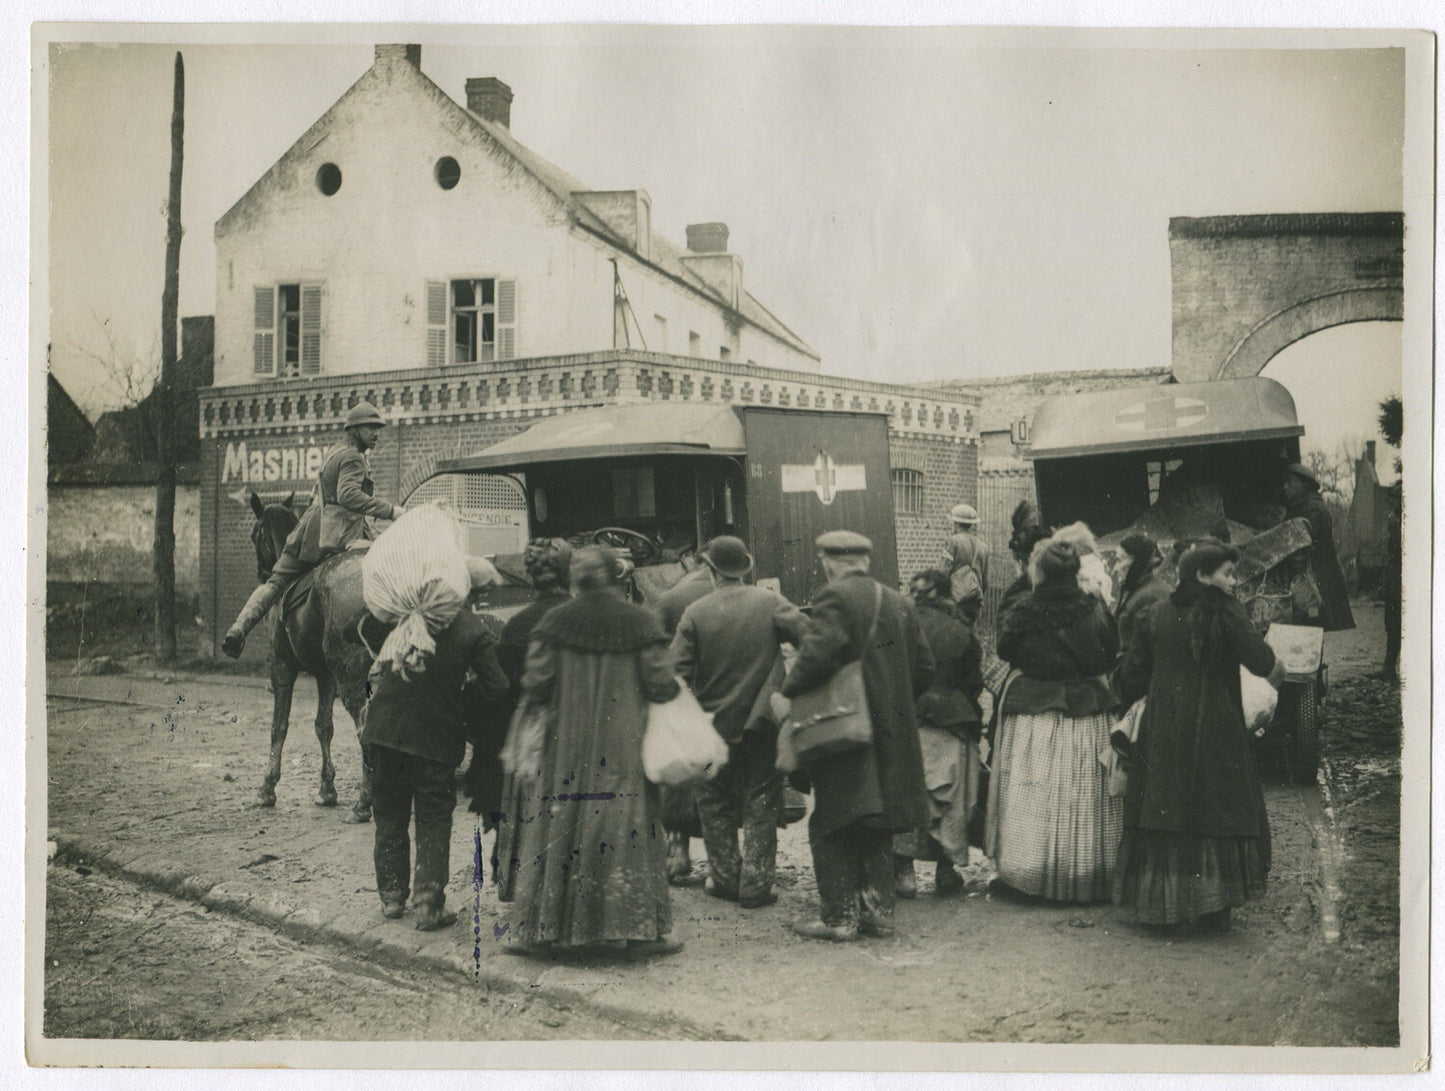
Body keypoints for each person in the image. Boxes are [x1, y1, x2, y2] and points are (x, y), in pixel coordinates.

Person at [507, 546, 684, 960]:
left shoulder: (554, 623)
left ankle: (542, 931)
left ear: (574, 579)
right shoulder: (640, 622)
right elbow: (662, 684)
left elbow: (535, 684)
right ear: (614, 576)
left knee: (559, 829)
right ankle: (642, 932)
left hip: (565, 749)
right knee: (630, 830)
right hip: (623, 747)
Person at [1112, 543, 1285, 931]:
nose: (1233, 580)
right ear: (1203, 576)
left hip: (1164, 728)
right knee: (1215, 808)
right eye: (1227, 573)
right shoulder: (1226, 612)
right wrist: (1279, 672)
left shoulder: (1157, 614)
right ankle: (1213, 905)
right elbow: (1262, 661)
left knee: (1166, 806)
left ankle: (1167, 906)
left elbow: (1131, 675)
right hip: (1216, 727)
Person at [771, 531, 934, 942]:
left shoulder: (835, 597)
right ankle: (878, 914)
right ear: (865, 560)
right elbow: (926, 668)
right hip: (890, 733)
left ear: (828, 560)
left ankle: (839, 918)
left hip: (845, 730)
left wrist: (786, 694)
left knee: (831, 823)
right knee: (876, 819)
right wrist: (894, 702)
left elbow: (817, 655)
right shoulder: (900, 602)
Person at [354, 561, 509, 930]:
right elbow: (498, 688)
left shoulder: (406, 614)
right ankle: (427, 903)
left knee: (389, 811)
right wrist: (464, 693)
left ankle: (392, 898)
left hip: (383, 730)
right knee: (433, 814)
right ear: (476, 594)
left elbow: (356, 629)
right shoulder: (475, 629)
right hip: (435, 737)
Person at [670, 537, 808, 909]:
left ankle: (727, 879)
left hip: (711, 727)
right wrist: (789, 686)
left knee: (714, 802)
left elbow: (674, 675)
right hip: (761, 724)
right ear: (744, 568)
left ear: (712, 571)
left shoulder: (695, 613)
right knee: (762, 800)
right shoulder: (769, 602)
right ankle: (758, 884)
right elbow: (811, 640)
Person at [988, 540, 1120, 902]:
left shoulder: (1026, 609)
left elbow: (1004, 649)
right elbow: (1111, 650)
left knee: (1037, 796)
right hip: (1088, 712)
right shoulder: (1094, 607)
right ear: (1075, 571)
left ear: (1040, 571)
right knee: (1084, 797)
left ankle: (1030, 876)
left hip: (1037, 714)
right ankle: (1087, 875)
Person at [222, 401, 405, 657]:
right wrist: (391, 511)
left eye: (378, 428)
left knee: (276, 581)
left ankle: (239, 628)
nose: (376, 433)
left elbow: (323, 493)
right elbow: (348, 495)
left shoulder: (334, 452)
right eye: (370, 428)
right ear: (354, 429)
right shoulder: (353, 457)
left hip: (311, 532)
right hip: (344, 534)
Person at [475, 538, 573, 901]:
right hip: (576, 733)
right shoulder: (579, 617)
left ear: (531, 579)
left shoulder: (516, 626)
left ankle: (520, 878)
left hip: (530, 734)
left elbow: (499, 691)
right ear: (568, 574)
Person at [893, 570, 985, 899]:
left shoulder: (899, 624)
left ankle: (903, 871)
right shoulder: (961, 629)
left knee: (907, 792)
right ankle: (945, 871)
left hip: (908, 720)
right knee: (948, 800)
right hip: (951, 720)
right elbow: (974, 681)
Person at [650, 551, 717, 883]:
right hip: (728, 699)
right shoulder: (749, 594)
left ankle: (678, 854)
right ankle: (725, 862)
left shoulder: (671, 598)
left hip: (683, 698)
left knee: (677, 778)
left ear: (694, 561)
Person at [1281, 462, 1355, 632]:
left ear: (1304, 485)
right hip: (1315, 579)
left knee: (1310, 627)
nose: (1285, 488)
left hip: (1314, 581)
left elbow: (1299, 549)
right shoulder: (1308, 507)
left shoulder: (1312, 511)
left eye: (1289, 483)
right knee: (1311, 629)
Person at [1114, 533, 1171, 654]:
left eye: (1120, 560)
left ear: (1137, 563)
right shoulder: (1138, 590)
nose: (1115, 568)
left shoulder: (1151, 596)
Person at [942, 503, 990, 630]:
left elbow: (944, 572)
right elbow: (985, 582)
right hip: (974, 600)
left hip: (956, 600)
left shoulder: (953, 541)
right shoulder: (983, 546)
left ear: (957, 524)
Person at [1379, 483, 1401, 680]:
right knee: (1391, 624)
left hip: (1403, 581)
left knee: (1398, 624)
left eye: (1395, 498)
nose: (1391, 503)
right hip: (1395, 580)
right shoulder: (1394, 521)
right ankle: (1388, 667)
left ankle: (1391, 668)